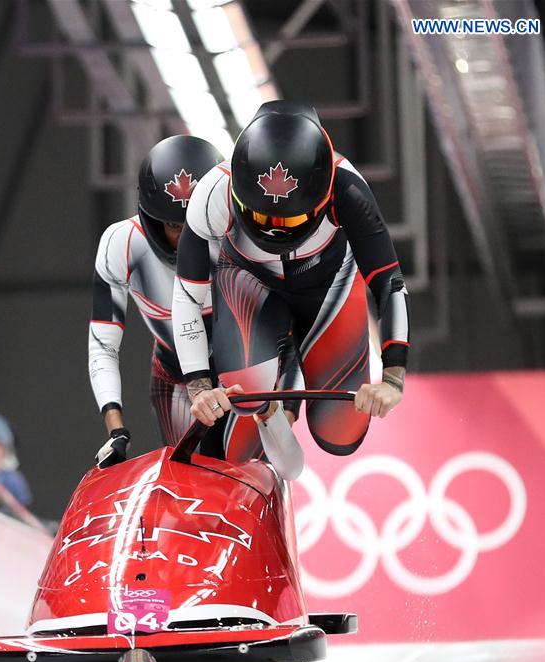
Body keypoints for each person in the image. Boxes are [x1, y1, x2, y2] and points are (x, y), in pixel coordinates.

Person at [172, 101, 410, 464]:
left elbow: (389, 282)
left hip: (329, 288)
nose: (272, 227)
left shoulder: (347, 188)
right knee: (245, 408)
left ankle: (287, 374)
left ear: (321, 201)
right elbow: (188, 294)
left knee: (341, 434)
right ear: (237, 191)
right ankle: (273, 398)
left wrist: (393, 378)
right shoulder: (212, 192)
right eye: (259, 214)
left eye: (290, 219)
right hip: (247, 284)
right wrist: (199, 386)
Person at [88, 134, 224, 467]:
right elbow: (103, 345)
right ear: (151, 219)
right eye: (176, 226)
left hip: (240, 376)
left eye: (200, 223)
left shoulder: (238, 237)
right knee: (189, 478)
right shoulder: (121, 243)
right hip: (174, 377)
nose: (189, 238)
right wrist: (116, 430)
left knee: (246, 475)